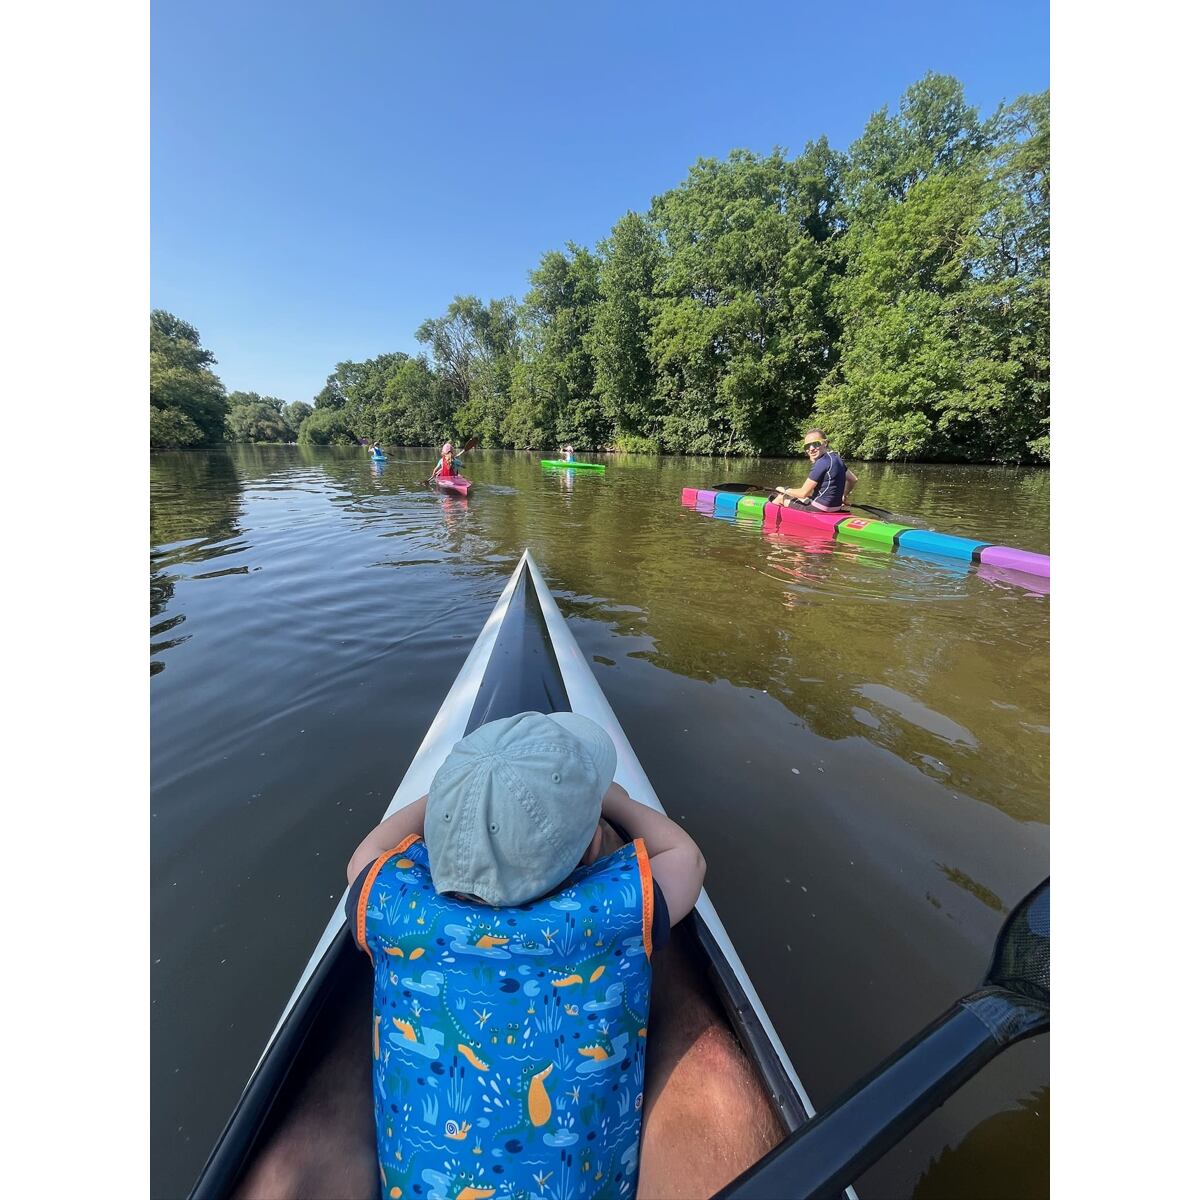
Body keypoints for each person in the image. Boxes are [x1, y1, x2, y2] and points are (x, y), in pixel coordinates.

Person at [344, 710, 706, 1200]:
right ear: (591, 848)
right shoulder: (612, 910)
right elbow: (687, 857)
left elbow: (365, 855)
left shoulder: (393, 907)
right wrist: (617, 803)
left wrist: (449, 798)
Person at [773, 428, 857, 511]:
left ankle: (772, 511)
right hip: (837, 507)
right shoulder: (836, 458)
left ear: (825, 443)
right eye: (807, 446)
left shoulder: (822, 462)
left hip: (820, 508)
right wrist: (844, 496)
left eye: (816, 444)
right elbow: (853, 480)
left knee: (781, 497)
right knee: (798, 497)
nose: (811, 448)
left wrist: (784, 490)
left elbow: (802, 493)